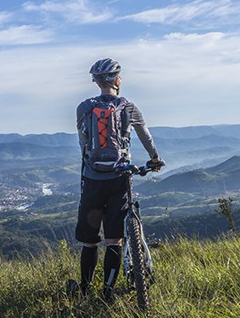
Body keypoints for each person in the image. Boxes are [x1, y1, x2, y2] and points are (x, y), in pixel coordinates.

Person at [72, 58, 164, 301]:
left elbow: (83, 143)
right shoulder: (128, 107)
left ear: (97, 81)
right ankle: (108, 291)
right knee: (114, 239)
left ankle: (83, 290)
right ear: (116, 80)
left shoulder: (83, 108)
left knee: (90, 242)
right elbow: (146, 137)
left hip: (92, 179)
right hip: (119, 179)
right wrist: (155, 159)